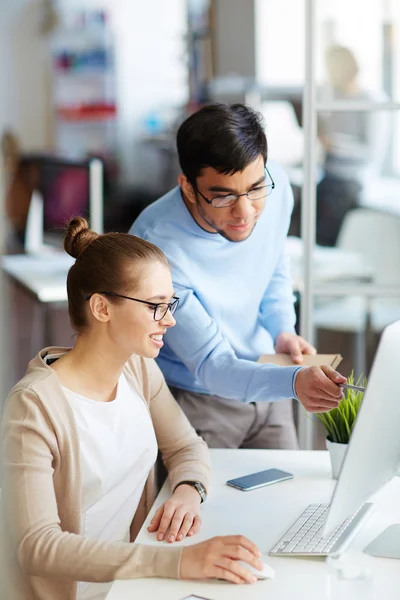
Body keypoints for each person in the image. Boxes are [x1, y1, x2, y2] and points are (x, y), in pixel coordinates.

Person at [0, 217, 267, 600]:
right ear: (102, 308)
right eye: (156, 306)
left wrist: (188, 491)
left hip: (132, 587)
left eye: (169, 303)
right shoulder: (34, 406)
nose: (170, 319)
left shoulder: (137, 368)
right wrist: (175, 562)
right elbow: (37, 546)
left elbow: (186, 447)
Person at [130, 103, 347, 451]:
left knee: (288, 502)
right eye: (224, 196)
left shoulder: (275, 189)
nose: (245, 212)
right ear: (187, 187)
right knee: (208, 505)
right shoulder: (155, 247)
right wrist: (294, 382)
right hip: (198, 400)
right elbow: (212, 365)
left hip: (270, 381)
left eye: (254, 188)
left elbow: (273, 265)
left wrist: (282, 331)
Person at [317, 45, 389, 246]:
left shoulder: (371, 101)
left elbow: (372, 151)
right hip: (328, 176)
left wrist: (336, 144)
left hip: (350, 181)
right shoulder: (333, 97)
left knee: (325, 228)